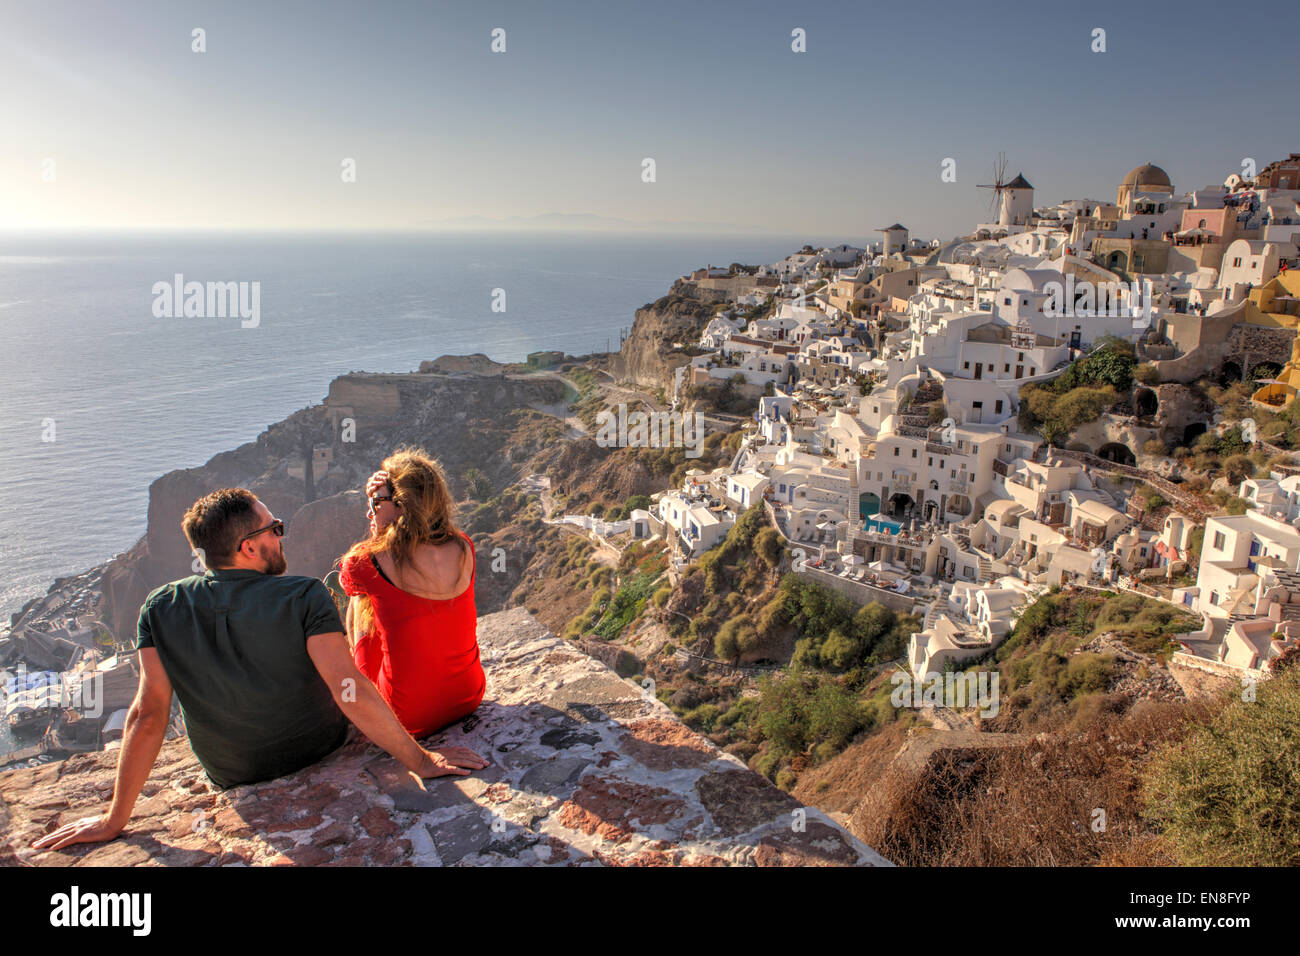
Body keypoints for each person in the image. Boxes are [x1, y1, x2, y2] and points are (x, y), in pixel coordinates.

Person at [33, 488, 487, 853]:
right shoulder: (303, 596)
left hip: (232, 774)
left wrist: (115, 820)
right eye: (275, 529)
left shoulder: (159, 607)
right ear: (249, 547)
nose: (281, 536)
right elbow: (348, 688)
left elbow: (149, 715)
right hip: (318, 749)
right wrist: (421, 761)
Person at [338, 449, 485, 738]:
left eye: (376, 503)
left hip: (406, 718)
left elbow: (354, 581)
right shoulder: (464, 546)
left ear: (402, 506)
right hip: (469, 696)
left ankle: (364, 689)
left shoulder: (366, 562)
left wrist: (377, 527)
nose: (370, 511)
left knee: (360, 598)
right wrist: (383, 504)